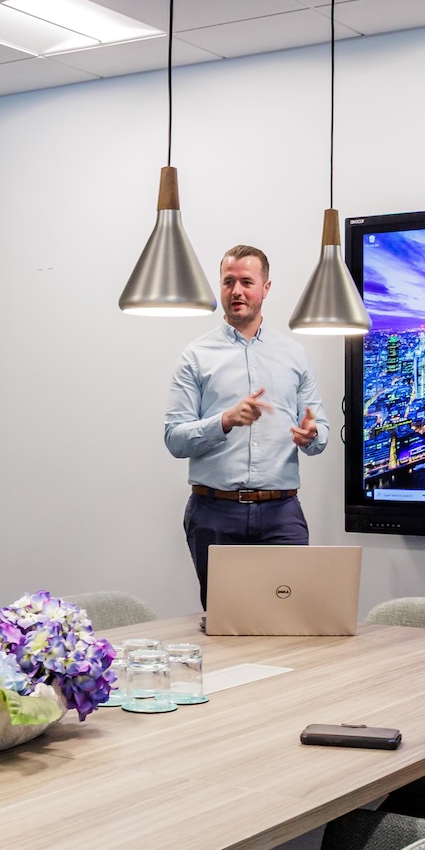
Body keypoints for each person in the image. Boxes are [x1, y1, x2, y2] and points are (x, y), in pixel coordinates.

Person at [164, 245, 329, 608]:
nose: (236, 290)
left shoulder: (294, 355)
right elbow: (174, 439)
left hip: (281, 514)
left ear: (266, 288)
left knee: (291, 620)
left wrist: (312, 436)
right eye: (228, 282)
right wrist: (224, 421)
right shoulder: (196, 356)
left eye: (246, 282)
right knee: (228, 622)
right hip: (215, 513)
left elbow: (321, 430)